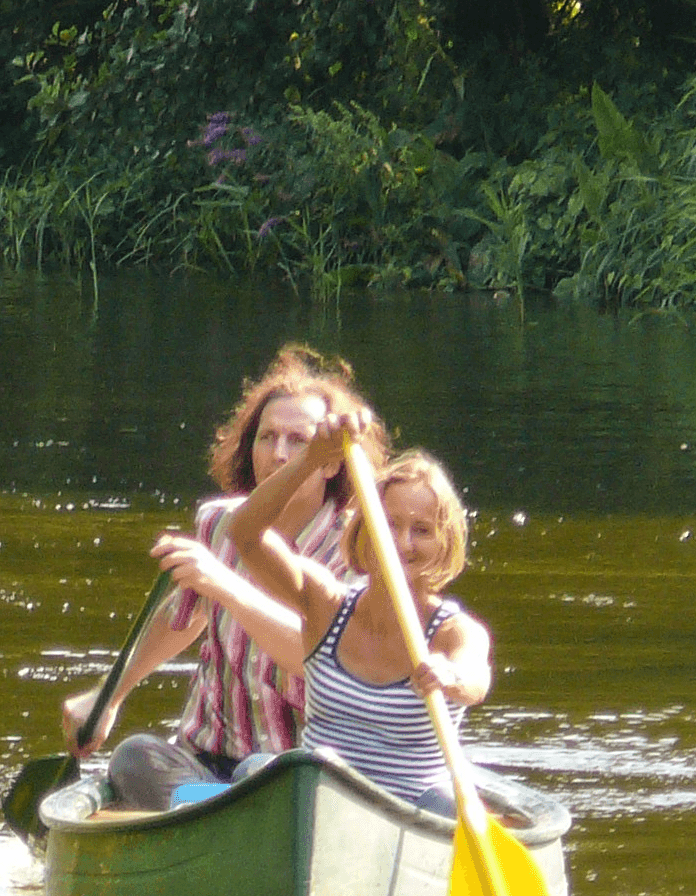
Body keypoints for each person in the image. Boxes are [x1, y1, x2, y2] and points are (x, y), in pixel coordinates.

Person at [60, 345, 388, 810]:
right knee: (134, 758)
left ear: (332, 462)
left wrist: (222, 582)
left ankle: (220, 811)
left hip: (306, 768)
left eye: (298, 442)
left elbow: (317, 657)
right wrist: (108, 695)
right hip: (211, 760)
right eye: (267, 438)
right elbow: (184, 614)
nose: (278, 454)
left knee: (271, 774)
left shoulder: (359, 551)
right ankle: (216, 807)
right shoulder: (218, 522)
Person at [222, 415, 492, 817]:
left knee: (452, 808)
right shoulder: (325, 603)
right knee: (252, 771)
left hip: (412, 808)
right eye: (390, 524)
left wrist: (450, 676)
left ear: (445, 541)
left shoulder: (453, 632)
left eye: (422, 530)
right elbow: (246, 534)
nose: (402, 544)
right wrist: (312, 459)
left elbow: (475, 678)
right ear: (365, 529)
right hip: (320, 799)